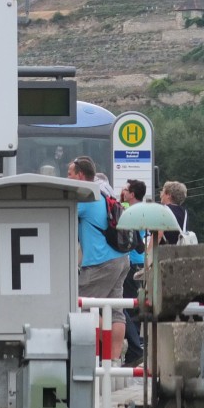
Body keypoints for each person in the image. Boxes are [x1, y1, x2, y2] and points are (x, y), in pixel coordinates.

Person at [67, 155, 127, 359]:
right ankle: (114, 361)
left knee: (78, 305)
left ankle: (106, 341)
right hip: (121, 259)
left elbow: (62, 214)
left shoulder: (85, 198)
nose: (67, 178)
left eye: (70, 174)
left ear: (80, 175)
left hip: (100, 262)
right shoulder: (103, 193)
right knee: (116, 310)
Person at [119, 179, 147, 364]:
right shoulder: (144, 210)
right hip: (141, 262)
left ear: (132, 194)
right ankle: (137, 342)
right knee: (134, 304)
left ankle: (135, 347)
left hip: (131, 262)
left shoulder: (130, 212)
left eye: (126, 190)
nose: (123, 192)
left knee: (127, 304)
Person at [159, 180, 189, 245]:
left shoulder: (163, 210)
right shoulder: (184, 212)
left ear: (168, 195)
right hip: (180, 249)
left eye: (163, 191)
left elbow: (159, 234)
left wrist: (148, 250)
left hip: (165, 249)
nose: (161, 194)